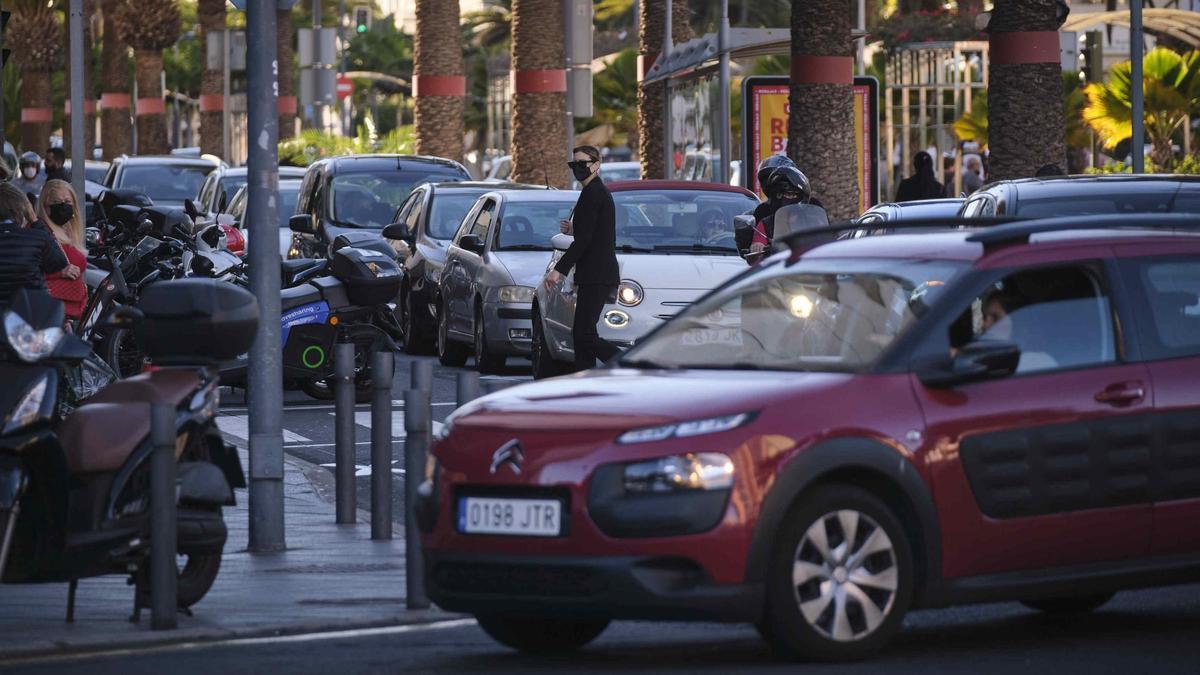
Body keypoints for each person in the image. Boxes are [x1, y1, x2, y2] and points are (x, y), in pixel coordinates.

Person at [545, 145, 620, 371]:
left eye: (582, 164)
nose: (578, 168)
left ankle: (629, 364)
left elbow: (586, 240)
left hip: (597, 274)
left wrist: (559, 269)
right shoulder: (592, 192)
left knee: (584, 335)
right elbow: (593, 231)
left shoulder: (594, 192)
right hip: (594, 273)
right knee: (583, 335)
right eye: (574, 164)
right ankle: (585, 380)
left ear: (596, 166)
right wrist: (573, 229)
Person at [0, 182, 69, 308]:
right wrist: (34, 220)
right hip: (30, 315)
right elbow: (60, 263)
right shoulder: (38, 238)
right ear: (21, 210)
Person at [37, 180, 87, 324]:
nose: (63, 206)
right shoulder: (41, 232)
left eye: (67, 202)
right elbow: (27, 271)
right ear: (45, 206)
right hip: (48, 313)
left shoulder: (69, 232)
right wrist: (60, 273)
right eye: (57, 202)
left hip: (65, 315)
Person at [745, 165, 815, 262]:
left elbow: (826, 239)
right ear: (777, 195)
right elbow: (757, 246)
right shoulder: (766, 224)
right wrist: (757, 247)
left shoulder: (812, 220)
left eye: (795, 194)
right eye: (788, 194)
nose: (793, 197)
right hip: (778, 269)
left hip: (807, 267)